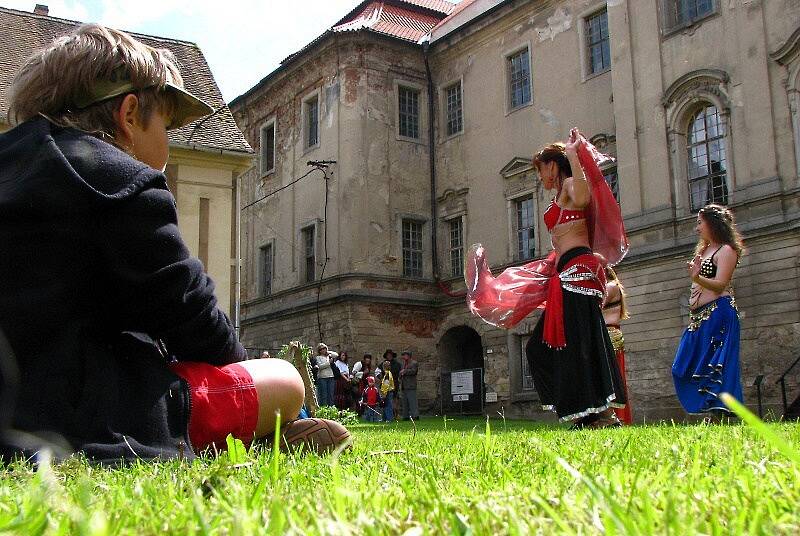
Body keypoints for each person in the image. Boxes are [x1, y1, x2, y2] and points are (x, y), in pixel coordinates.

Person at [0, 24, 348, 461]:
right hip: (78, 416)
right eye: (165, 123)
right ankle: (256, 432)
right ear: (128, 116)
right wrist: (244, 368)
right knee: (283, 379)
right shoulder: (119, 181)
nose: (168, 141)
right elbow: (192, 316)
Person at [466, 128, 629, 429]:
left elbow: (582, 196)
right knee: (545, 346)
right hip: (562, 271)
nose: (540, 177)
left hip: (577, 271)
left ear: (552, 165)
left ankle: (601, 413)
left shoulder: (570, 184)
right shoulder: (558, 194)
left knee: (579, 342)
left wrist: (573, 156)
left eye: (540, 170)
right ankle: (587, 410)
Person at [672, 204, 744, 416]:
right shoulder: (704, 250)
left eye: (699, 222)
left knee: (715, 364)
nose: (697, 228)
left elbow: (720, 284)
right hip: (699, 316)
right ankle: (712, 409)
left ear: (713, 223)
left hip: (719, 313)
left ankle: (719, 413)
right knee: (683, 364)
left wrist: (696, 277)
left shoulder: (726, 250)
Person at [602, 265, 633, 425]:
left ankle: (617, 416)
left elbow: (597, 305)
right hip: (610, 333)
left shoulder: (611, 286)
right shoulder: (613, 285)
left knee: (612, 375)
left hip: (610, 333)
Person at [312, 343, 336, 407]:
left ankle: (331, 408)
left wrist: (328, 352)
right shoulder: (318, 357)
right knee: (324, 395)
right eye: (321, 349)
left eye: (324, 348)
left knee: (331, 394)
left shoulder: (329, 356)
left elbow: (336, 355)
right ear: (319, 351)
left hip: (330, 376)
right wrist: (329, 363)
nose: (323, 350)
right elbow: (320, 366)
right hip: (322, 377)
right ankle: (325, 408)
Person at [399, 351, 419, 420]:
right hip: (404, 385)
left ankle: (415, 416)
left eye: (404, 355)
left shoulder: (414, 363)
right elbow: (401, 372)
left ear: (408, 355)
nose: (403, 357)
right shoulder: (403, 364)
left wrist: (404, 371)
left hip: (411, 385)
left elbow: (414, 371)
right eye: (403, 355)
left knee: (412, 401)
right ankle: (405, 416)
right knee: (405, 402)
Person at [377, 354, 395, 422]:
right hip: (388, 392)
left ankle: (389, 418)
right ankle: (384, 418)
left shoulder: (387, 374)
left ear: (383, 367)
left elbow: (386, 385)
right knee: (384, 405)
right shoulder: (388, 373)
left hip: (387, 392)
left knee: (388, 406)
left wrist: (383, 394)